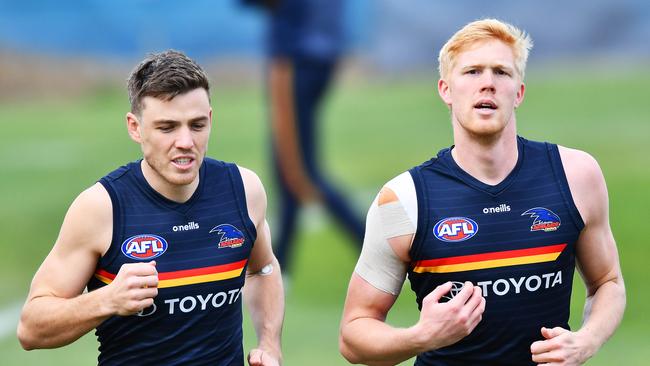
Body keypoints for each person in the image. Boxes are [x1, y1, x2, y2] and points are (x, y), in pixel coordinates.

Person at [339, 19, 625, 365]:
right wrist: (420, 336)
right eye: (472, 72)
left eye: (501, 73)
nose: (487, 84)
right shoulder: (404, 199)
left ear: (518, 92)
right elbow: (354, 336)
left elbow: (608, 282)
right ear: (446, 89)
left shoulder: (575, 175)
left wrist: (586, 341)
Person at [17, 50, 284, 366]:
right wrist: (106, 300)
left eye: (196, 125)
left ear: (210, 119)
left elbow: (263, 269)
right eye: (167, 127)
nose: (185, 141)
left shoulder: (243, 190)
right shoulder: (102, 208)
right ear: (135, 127)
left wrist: (269, 345)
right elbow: (31, 328)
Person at [244, 0, 365, 275]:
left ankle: (376, 246)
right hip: (316, 52)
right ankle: (277, 267)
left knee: (300, 171)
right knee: (287, 165)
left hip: (297, 56)